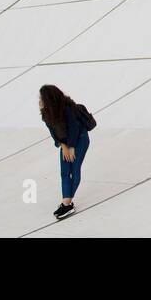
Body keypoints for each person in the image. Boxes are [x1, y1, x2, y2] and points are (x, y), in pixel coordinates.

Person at [39, 84, 90, 219]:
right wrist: (63, 145)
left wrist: (72, 146)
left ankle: (66, 203)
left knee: (74, 169)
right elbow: (53, 132)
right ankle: (67, 202)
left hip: (80, 139)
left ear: (49, 98)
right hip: (66, 143)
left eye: (42, 98)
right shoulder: (46, 113)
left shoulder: (66, 108)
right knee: (64, 172)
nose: (40, 100)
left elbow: (75, 128)